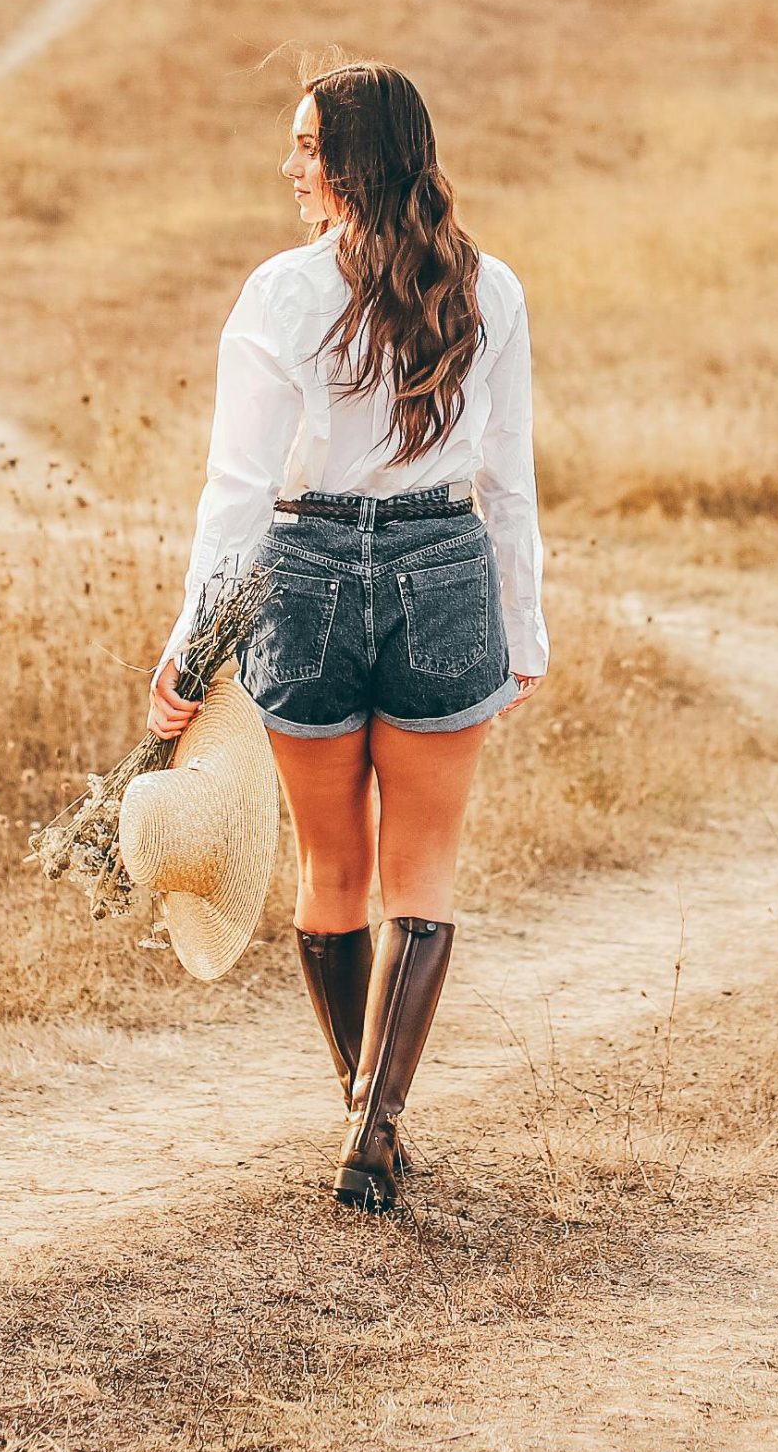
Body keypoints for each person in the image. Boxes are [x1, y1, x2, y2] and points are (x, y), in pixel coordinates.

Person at [149, 62, 546, 1212]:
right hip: (442, 568)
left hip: (306, 572)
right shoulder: (492, 289)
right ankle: (375, 1124)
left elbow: (234, 493)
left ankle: (356, 1110)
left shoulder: (278, 294)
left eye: (308, 147)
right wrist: (523, 627)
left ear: (353, 163)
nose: (292, 168)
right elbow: (506, 483)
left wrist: (191, 641)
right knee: (419, 870)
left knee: (332, 867)